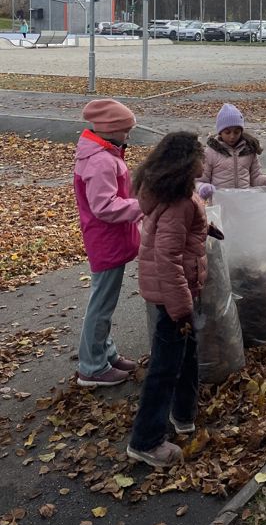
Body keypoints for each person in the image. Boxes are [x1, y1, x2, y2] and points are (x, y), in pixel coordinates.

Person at [126, 132, 208, 469]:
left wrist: (206, 228)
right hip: (174, 294)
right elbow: (167, 258)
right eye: (200, 155)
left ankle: (183, 415)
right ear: (187, 162)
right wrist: (181, 309)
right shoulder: (179, 202)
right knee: (164, 367)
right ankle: (146, 441)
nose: (205, 161)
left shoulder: (171, 192)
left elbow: (175, 236)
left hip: (175, 291)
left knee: (186, 356)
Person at [73, 99, 143, 388]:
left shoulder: (105, 152)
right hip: (106, 240)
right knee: (101, 305)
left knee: (105, 303)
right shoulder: (101, 159)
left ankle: (106, 354)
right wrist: (142, 206)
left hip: (111, 239)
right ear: (111, 130)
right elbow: (104, 206)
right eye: (126, 130)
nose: (129, 135)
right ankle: (92, 367)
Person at [197, 103, 266, 200]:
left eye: (236, 132)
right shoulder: (210, 153)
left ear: (241, 131)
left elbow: (255, 178)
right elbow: (200, 179)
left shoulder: (249, 151)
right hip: (221, 203)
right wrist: (202, 187)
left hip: (244, 202)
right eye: (227, 132)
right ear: (220, 132)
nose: (232, 136)